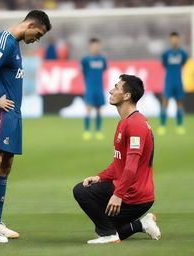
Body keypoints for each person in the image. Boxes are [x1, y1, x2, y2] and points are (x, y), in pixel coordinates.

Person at [0, 10, 51, 243]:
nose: (36, 39)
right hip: (0, 110)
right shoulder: (5, 41)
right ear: (29, 25)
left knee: (6, 164)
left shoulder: (14, 44)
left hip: (12, 112)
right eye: (37, 34)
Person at [73, 74, 161, 244]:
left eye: (116, 87)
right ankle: (141, 225)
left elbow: (131, 165)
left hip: (135, 196)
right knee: (106, 221)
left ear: (127, 96)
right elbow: (119, 164)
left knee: (81, 192)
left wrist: (118, 194)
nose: (111, 91)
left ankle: (109, 235)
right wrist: (100, 177)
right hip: (129, 190)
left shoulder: (135, 124)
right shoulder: (126, 122)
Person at [158, 32, 188, 136]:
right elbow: (164, 64)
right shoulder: (166, 53)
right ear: (170, 40)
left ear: (178, 40)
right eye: (173, 39)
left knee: (179, 103)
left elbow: (184, 62)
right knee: (165, 102)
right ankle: (162, 125)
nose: (174, 41)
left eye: (176, 39)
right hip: (169, 81)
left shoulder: (183, 53)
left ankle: (179, 126)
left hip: (178, 81)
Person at [81, 38, 107, 140]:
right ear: (90, 46)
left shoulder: (102, 59)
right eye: (94, 45)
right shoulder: (86, 60)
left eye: (97, 45)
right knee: (88, 109)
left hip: (99, 88)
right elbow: (83, 72)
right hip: (90, 89)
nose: (96, 47)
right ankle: (87, 131)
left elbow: (104, 70)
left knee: (99, 110)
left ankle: (98, 131)